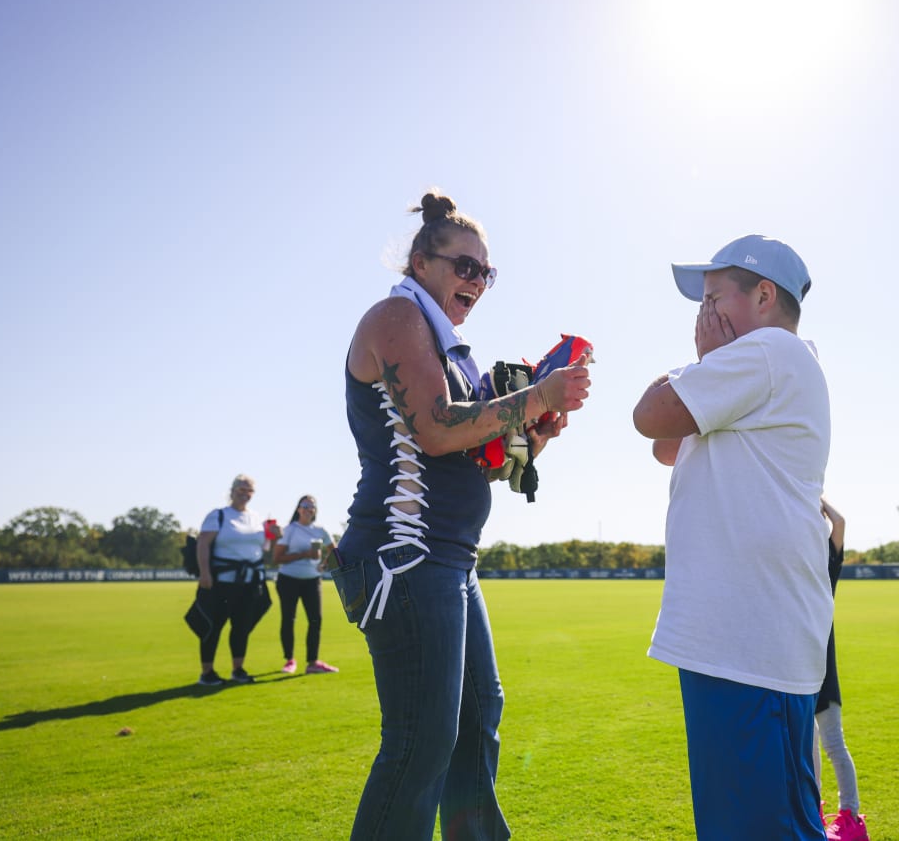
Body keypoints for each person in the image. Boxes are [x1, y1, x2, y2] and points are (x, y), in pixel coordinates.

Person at [330, 190, 591, 840]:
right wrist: (537, 395)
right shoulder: (397, 316)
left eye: (486, 271)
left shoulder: (452, 349)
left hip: (449, 561)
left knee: (476, 720)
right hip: (403, 558)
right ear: (421, 262)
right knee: (421, 741)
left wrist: (535, 432)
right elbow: (437, 428)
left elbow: (482, 464)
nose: (476, 280)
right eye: (464, 266)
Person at [633, 234, 833, 840]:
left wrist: (701, 362)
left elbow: (648, 415)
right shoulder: (757, 366)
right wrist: (708, 365)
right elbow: (667, 446)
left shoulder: (771, 351)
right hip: (739, 642)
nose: (704, 315)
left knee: (762, 828)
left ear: (764, 296)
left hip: (749, 646)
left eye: (714, 298)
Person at [815, 498, 869, 841]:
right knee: (807, 749)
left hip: (823, 672)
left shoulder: (825, 570)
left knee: (833, 743)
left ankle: (851, 818)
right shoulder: (792, 572)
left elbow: (840, 523)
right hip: (795, 671)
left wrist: (816, 500)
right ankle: (813, 812)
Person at [195, 474, 277, 686]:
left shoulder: (256, 518)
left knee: (242, 627)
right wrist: (205, 573)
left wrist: (274, 536)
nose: (245, 494)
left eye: (249, 490)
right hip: (222, 582)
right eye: (241, 489)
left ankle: (238, 669)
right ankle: (207, 672)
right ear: (232, 490)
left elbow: (262, 549)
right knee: (213, 626)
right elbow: (203, 544)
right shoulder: (218, 515)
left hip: (250, 583)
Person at [272, 495, 338, 675]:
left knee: (316, 620)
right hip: (288, 579)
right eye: (305, 505)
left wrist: (324, 565)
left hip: (312, 580)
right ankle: (289, 660)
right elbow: (277, 558)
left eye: (312, 506)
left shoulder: (321, 530)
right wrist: (305, 555)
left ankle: (313, 663)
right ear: (298, 509)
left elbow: (334, 552)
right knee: (288, 619)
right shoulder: (290, 530)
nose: (308, 509)